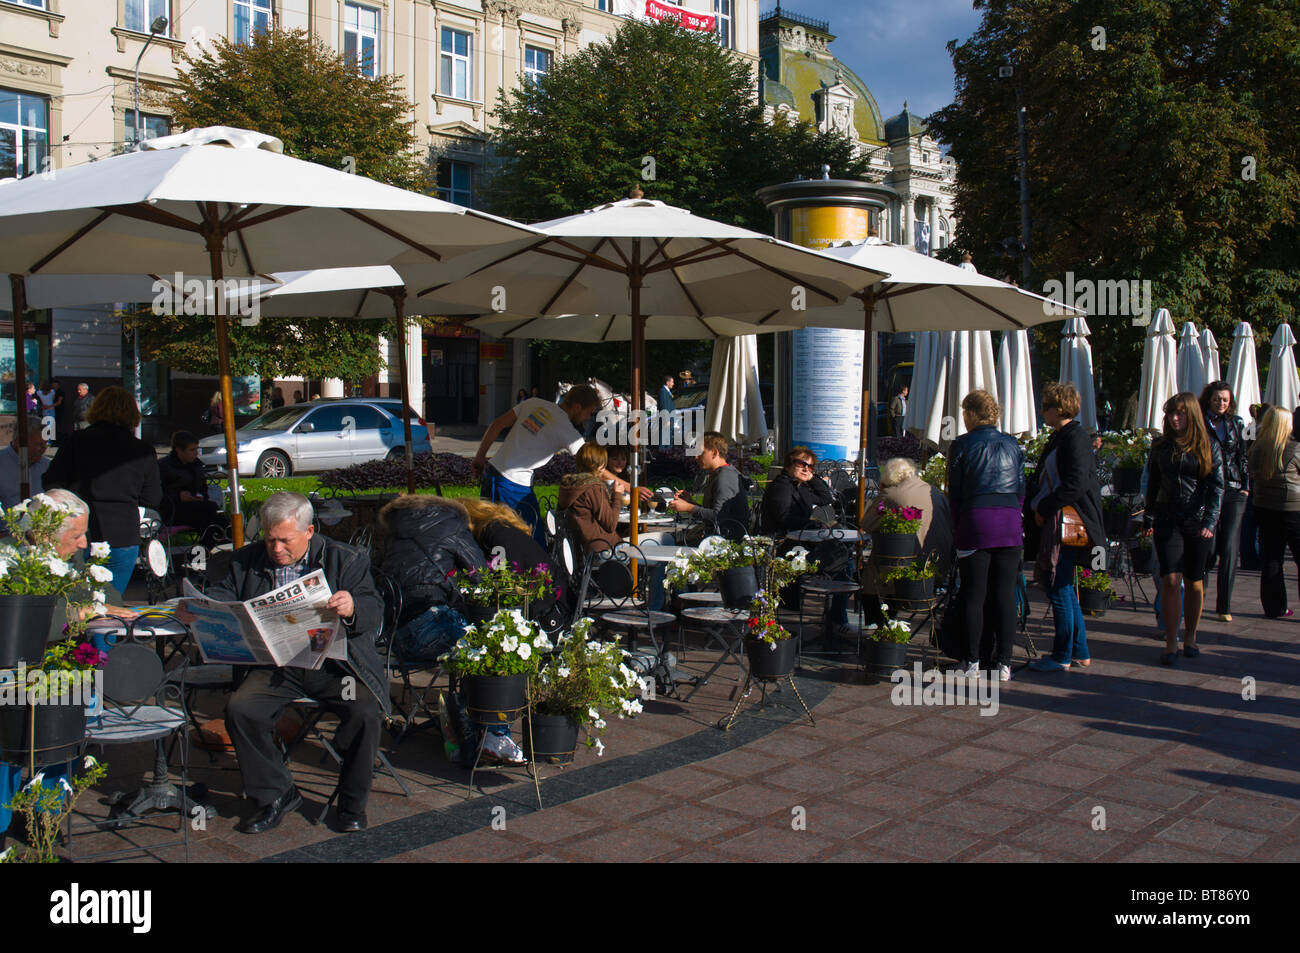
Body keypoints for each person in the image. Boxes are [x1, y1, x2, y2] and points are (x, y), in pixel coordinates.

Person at [210, 492, 385, 834]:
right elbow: (222, 595)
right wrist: (204, 608)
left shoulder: (345, 559)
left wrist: (352, 607)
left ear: (309, 531)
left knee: (364, 711)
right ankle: (275, 793)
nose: (276, 550)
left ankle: (351, 805)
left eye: (284, 541)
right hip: (277, 667)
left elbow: (374, 611)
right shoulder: (246, 560)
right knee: (241, 708)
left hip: (337, 668)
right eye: (270, 539)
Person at [0, 489, 137, 837]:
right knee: (8, 750)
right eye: (76, 535)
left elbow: (104, 594)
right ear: (45, 532)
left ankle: (45, 816)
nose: (82, 544)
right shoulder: (10, 560)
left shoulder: (71, 558)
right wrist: (81, 611)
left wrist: (103, 603)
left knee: (64, 737)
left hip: (62, 669)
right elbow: (18, 623)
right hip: (13, 674)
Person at [472, 384, 628, 545]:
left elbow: (497, 424)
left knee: (489, 535)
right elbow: (593, 465)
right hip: (514, 485)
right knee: (532, 543)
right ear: (576, 407)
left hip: (491, 474)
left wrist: (479, 457)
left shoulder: (533, 402)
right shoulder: (567, 430)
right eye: (588, 412)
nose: (588, 418)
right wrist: (629, 487)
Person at [44, 386, 162, 597]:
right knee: (109, 607)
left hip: (79, 533)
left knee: (75, 604)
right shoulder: (142, 450)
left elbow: (52, 483)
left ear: (97, 409)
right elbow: (152, 497)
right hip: (123, 534)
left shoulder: (76, 441)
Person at [1024, 383, 1107, 673]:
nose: (1042, 410)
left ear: (1059, 408)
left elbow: (1076, 483)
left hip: (1068, 521)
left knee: (1058, 585)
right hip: (1064, 519)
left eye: (1045, 405)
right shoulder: (1065, 436)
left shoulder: (1074, 438)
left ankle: (1061, 655)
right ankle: (1080, 651)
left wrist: (1044, 507)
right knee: (1065, 587)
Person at [946, 390, 1024, 681]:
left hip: (976, 519)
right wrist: (1014, 516)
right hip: (1009, 522)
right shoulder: (1012, 444)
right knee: (1005, 594)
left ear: (970, 414)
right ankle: (1004, 662)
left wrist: (959, 526)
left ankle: (972, 660)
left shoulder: (962, 445)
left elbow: (955, 492)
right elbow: (1020, 489)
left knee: (973, 594)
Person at [1144, 392, 1223, 665]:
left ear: (1191, 415)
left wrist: (1210, 521)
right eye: (1170, 413)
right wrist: (1149, 514)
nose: (1174, 419)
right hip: (1167, 517)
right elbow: (1153, 482)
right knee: (1170, 579)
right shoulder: (1160, 446)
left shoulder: (1208, 445)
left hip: (1197, 520)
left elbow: (1217, 486)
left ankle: (1190, 636)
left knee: (1194, 581)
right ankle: (1170, 641)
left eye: (1179, 413)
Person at [378, 495, 486, 661]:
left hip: (393, 636)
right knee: (493, 644)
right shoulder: (452, 524)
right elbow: (480, 574)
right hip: (434, 627)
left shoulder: (392, 530)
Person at [860, 457, 953, 627]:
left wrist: (880, 496)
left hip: (906, 574)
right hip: (937, 569)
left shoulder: (892, 494)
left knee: (873, 571)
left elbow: (866, 524)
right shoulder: (936, 493)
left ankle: (877, 624)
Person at [1201, 381, 1249, 622]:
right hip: (1209, 489)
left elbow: (1243, 455)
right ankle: (1200, 592)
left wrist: (1246, 487)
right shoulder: (1200, 422)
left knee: (1229, 546)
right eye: (1217, 398)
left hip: (1233, 489)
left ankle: (1224, 605)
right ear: (1208, 399)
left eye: (1225, 400)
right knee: (1208, 544)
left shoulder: (1237, 424)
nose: (1221, 403)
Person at [1247, 406, 1300, 618]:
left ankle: (1274, 607)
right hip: (1293, 507)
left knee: (1271, 557)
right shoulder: (1295, 448)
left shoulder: (1257, 447)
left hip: (1264, 506)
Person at [667, 431, 751, 542]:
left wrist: (688, 507)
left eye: (700, 452)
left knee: (667, 541)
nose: (696, 457)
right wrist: (690, 502)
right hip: (716, 539)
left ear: (715, 453)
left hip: (723, 544)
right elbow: (715, 511)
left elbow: (718, 517)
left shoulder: (724, 478)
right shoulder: (719, 474)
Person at [157, 430, 226, 540]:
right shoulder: (164, 467)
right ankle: (207, 548)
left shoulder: (196, 465)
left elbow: (203, 487)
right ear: (179, 450)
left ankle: (221, 541)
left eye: (196, 449)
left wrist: (200, 496)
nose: (196, 453)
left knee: (215, 516)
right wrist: (178, 496)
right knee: (209, 512)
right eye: (192, 450)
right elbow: (158, 493)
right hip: (173, 510)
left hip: (197, 506)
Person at [557, 442, 623, 554]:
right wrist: (617, 495)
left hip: (579, 548)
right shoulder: (593, 488)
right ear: (599, 464)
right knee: (643, 553)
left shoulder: (571, 486)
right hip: (602, 549)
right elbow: (611, 524)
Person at [760, 446, 834, 536]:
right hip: (781, 539)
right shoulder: (781, 485)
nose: (806, 469)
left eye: (810, 467)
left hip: (799, 536)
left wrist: (812, 478)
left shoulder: (800, 486)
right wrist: (814, 524)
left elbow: (826, 499)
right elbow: (784, 518)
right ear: (788, 465)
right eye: (801, 464)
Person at [0, 415, 49, 509]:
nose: (43, 449)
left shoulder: (47, 466)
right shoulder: (2, 462)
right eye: (38, 444)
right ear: (19, 441)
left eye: (45, 444)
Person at [657, 375, 675, 448]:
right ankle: (662, 453)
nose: (673, 384)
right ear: (667, 382)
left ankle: (668, 452)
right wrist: (666, 419)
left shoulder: (667, 391)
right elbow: (663, 406)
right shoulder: (663, 391)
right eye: (672, 382)